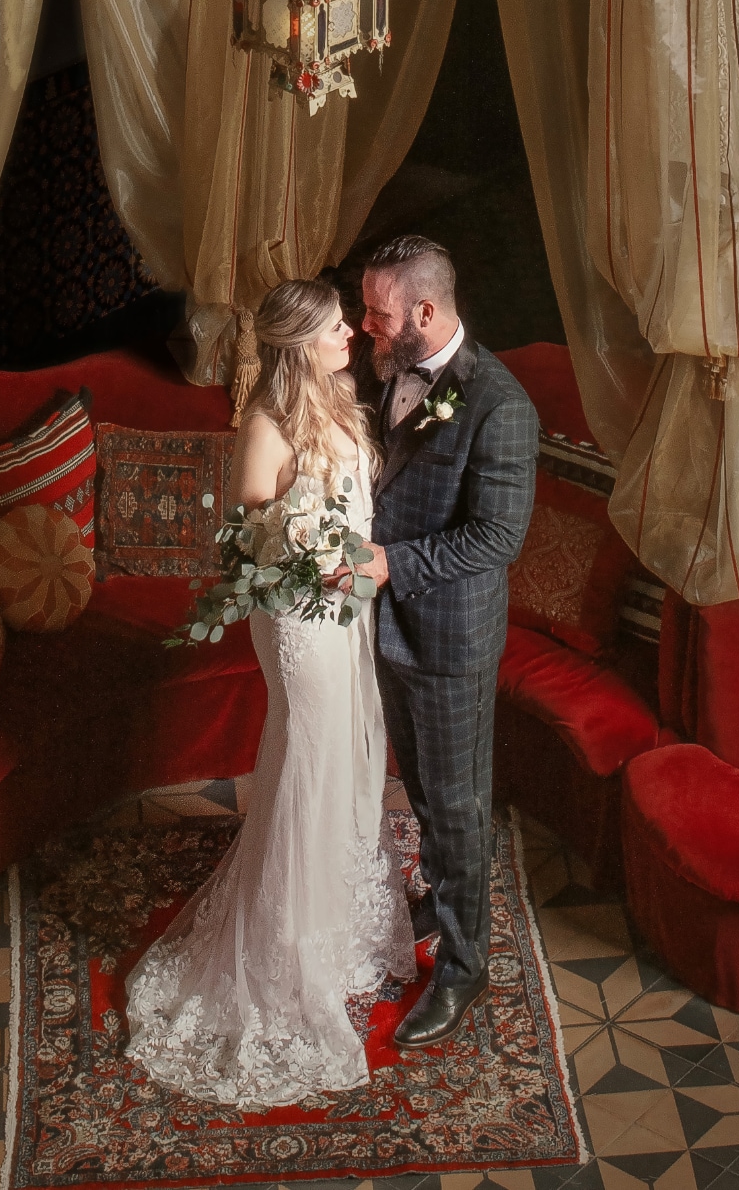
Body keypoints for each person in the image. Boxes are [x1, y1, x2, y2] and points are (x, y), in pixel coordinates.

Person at [122, 279, 417, 1107]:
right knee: (308, 759)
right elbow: (253, 525)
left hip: (347, 605)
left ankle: (335, 919)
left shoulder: (341, 398)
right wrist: (311, 546)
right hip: (298, 614)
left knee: (355, 749)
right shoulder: (265, 423)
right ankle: (286, 946)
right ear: (299, 344)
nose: (352, 337)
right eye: (335, 329)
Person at [338, 234, 535, 1048]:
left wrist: (389, 564)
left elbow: (496, 538)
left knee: (458, 808)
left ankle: (462, 967)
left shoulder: (501, 405)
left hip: (451, 640)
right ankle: (439, 893)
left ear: (425, 311)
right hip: (392, 628)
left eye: (379, 316)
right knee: (419, 789)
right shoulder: (391, 370)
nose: (365, 328)